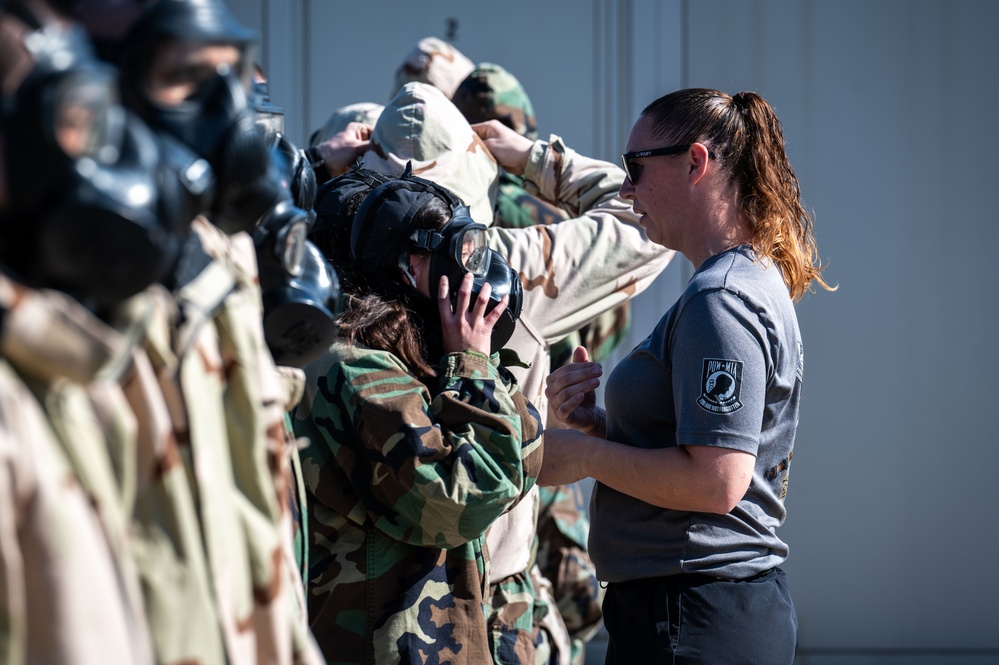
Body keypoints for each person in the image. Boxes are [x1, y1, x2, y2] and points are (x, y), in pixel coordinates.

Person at [361, 80, 675, 665]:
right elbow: (644, 216)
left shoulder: (332, 271)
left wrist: (321, 162)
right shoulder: (511, 272)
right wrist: (532, 157)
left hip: (354, 596)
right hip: (489, 600)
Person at [542, 88, 835, 664]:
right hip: (698, 610)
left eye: (635, 167)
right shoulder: (742, 282)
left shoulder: (720, 299)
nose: (625, 190)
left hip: (691, 615)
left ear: (695, 163)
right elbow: (700, 452)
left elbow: (716, 482)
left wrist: (580, 455)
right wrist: (601, 428)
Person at [293, 170, 542, 665]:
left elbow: (525, 456)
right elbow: (468, 496)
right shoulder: (355, 368)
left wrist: (473, 362)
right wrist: (473, 365)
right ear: (408, 264)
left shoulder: (413, 355)